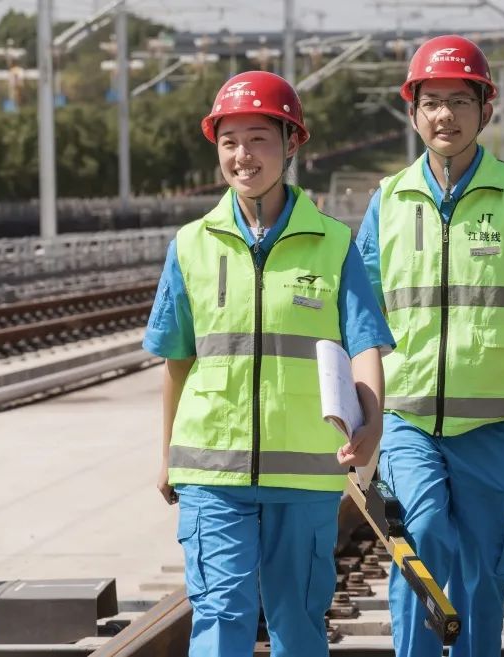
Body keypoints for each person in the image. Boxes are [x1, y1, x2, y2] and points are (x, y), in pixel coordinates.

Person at [355, 35, 504, 656]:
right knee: (422, 536)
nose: (445, 115)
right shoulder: (389, 200)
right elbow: (357, 311)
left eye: (460, 101)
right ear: (413, 112)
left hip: (495, 423)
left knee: (485, 571)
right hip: (409, 417)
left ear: (485, 109)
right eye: (432, 102)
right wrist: (355, 403)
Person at [143, 70, 394, 657]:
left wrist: (372, 423)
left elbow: (364, 345)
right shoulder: (191, 245)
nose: (242, 156)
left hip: (303, 475)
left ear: (292, 142)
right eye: (229, 141)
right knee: (221, 615)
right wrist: (167, 455)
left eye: (258, 139)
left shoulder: (333, 244)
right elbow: (177, 360)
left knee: (298, 622)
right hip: (212, 471)